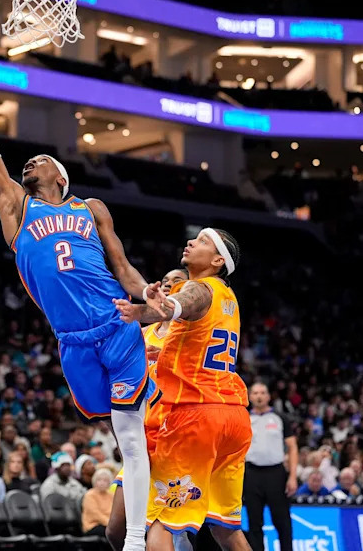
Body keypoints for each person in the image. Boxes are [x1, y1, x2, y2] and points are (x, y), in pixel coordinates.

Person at [0, 23, 164, 551]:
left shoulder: (91, 208)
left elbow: (124, 269)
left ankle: (137, 540)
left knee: (130, 433)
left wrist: (150, 297)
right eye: (26, 161)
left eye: (39, 160)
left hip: (119, 323)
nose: (28, 161)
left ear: (61, 175)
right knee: (114, 425)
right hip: (72, 340)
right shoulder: (16, 206)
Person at [115, 228, 252, 551]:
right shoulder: (228, 299)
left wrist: (143, 311)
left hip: (195, 417)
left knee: (162, 524)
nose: (191, 242)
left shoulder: (202, 289)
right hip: (232, 416)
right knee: (226, 529)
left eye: (203, 241)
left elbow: (178, 304)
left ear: (218, 260)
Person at [108, 268, 189, 551]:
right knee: (115, 530)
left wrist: (165, 358)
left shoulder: (190, 334)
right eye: (165, 281)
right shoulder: (142, 332)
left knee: (166, 536)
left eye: (176, 281)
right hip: (141, 437)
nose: (168, 285)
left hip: (173, 437)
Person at [242, 382, 297, 551]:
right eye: (256, 393)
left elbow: (293, 446)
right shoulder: (243, 418)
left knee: (282, 521)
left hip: (276, 473)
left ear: (268, 396)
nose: (259, 396)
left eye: (262, 392)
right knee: (254, 522)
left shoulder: (280, 417)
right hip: (251, 474)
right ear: (250, 396)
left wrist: (293, 476)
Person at [82, 468, 114, 536]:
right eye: (99, 480)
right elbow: (96, 515)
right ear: (95, 481)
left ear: (109, 482)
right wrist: (111, 524)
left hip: (109, 525)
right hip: (93, 525)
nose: (102, 483)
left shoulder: (111, 495)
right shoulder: (90, 495)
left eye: (105, 480)